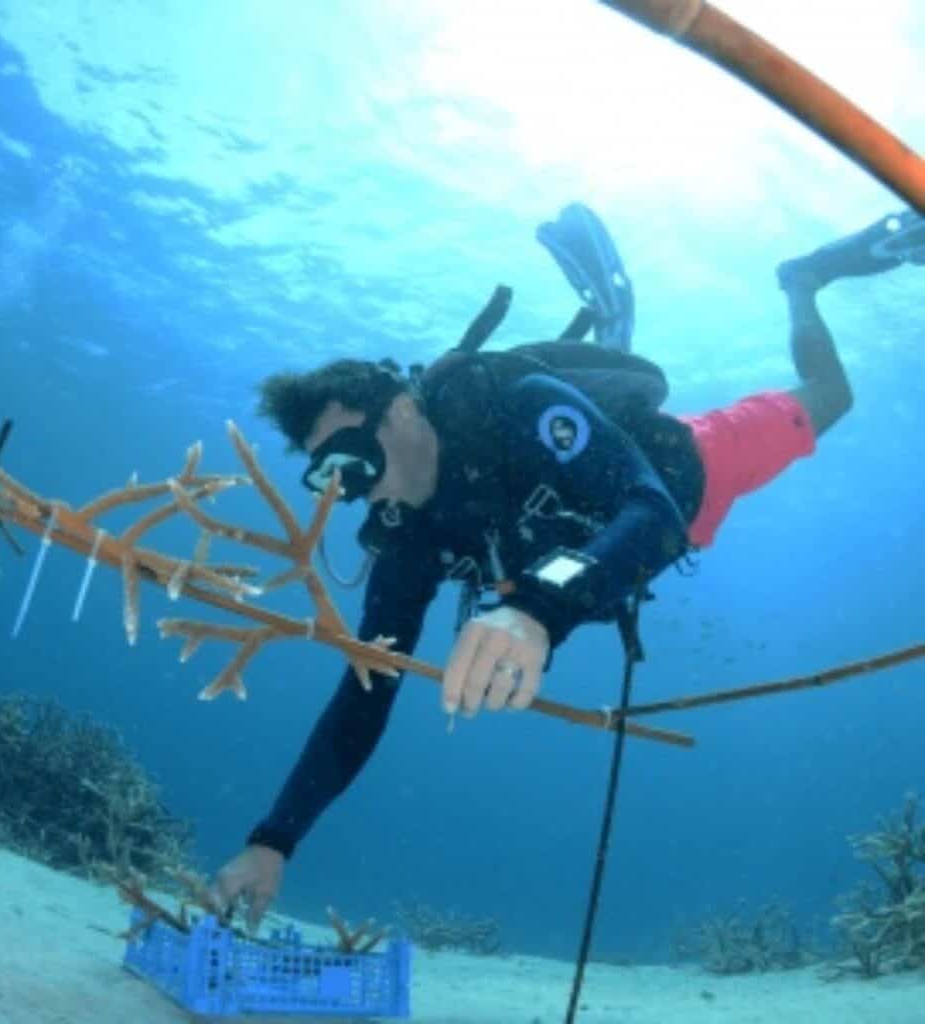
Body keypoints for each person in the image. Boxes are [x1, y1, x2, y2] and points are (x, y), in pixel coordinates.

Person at [209, 204, 924, 930]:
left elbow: (651, 512)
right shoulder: (409, 541)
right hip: (597, 544)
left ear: (400, 412)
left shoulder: (518, 404)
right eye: (330, 480)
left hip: (692, 469)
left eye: (352, 462)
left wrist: (536, 610)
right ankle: (613, 328)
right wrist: (273, 842)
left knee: (832, 398)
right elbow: (366, 690)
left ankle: (802, 280)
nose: (357, 491)